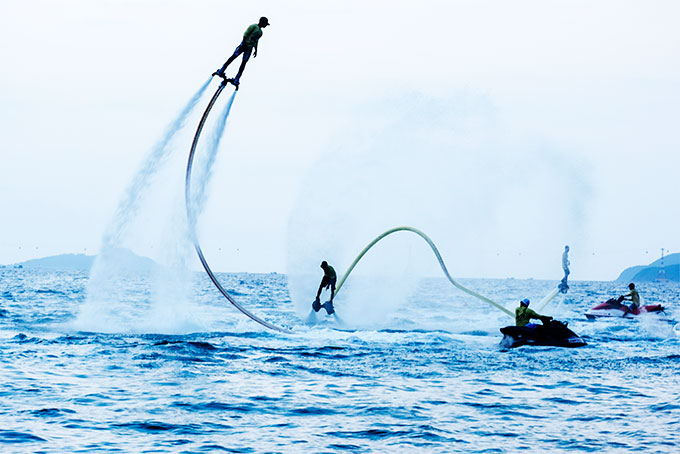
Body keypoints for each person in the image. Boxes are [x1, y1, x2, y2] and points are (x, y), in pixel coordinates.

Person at [213, 17, 270, 88]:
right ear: (261, 22)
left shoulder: (261, 32)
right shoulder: (253, 26)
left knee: (243, 63)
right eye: (265, 24)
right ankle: (222, 69)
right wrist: (244, 43)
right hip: (243, 45)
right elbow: (245, 34)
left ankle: (237, 78)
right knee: (233, 57)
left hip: (249, 49)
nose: (265, 26)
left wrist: (255, 50)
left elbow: (256, 41)